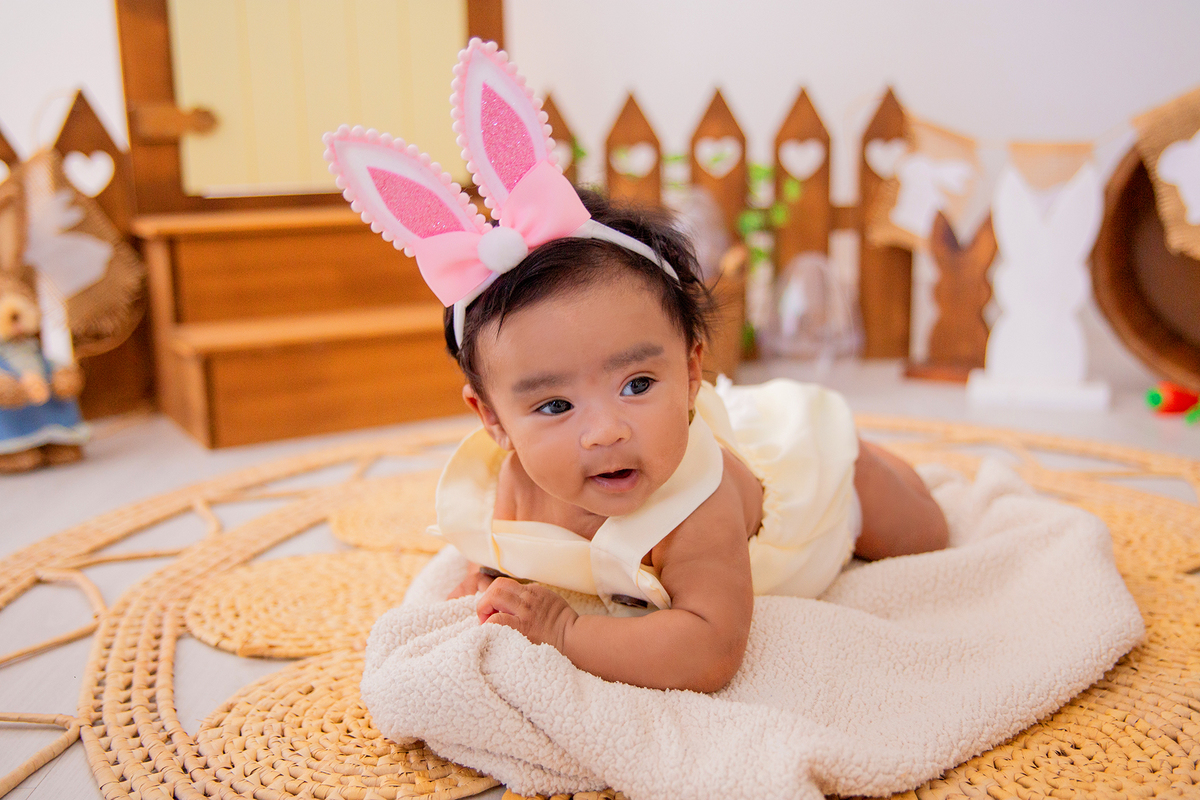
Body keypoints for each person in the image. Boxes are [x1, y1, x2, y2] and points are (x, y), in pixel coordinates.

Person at [324, 37, 947, 694]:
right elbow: (506, 558)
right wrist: (493, 584)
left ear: (691, 371)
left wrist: (564, 631)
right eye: (555, 406)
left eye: (638, 384)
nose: (605, 431)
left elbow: (708, 651)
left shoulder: (695, 504)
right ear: (494, 421)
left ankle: (871, 461)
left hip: (820, 488)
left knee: (924, 533)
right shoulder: (515, 484)